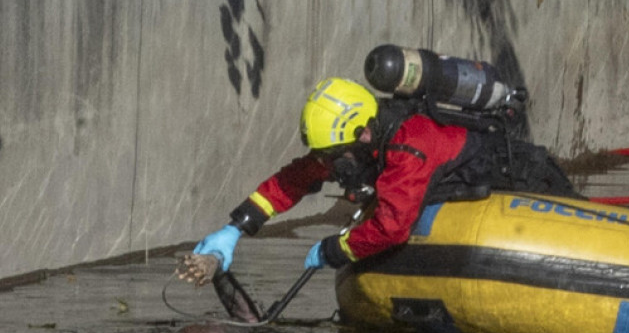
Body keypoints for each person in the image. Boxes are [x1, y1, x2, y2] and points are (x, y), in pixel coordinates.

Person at [190, 75, 575, 274]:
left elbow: (393, 227)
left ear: (362, 134)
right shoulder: (357, 144)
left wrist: (334, 249)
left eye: (332, 155)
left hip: (529, 181)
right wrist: (236, 228)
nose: (329, 165)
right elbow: (297, 178)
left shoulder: (410, 144)